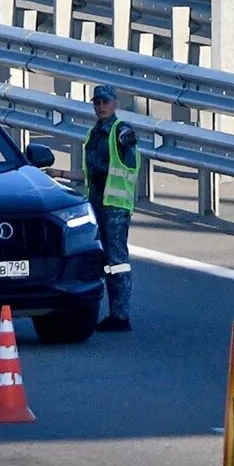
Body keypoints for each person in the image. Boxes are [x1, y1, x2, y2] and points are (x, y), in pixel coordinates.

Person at [83, 85, 141, 333]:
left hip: (115, 206)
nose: (101, 106)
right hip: (97, 203)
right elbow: (90, 172)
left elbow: (128, 154)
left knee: (117, 261)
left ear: (115, 103)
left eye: (105, 102)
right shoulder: (93, 133)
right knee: (102, 260)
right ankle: (109, 312)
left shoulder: (121, 131)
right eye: (97, 102)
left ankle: (120, 315)